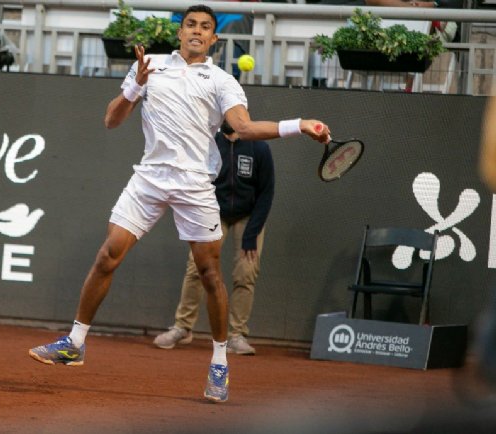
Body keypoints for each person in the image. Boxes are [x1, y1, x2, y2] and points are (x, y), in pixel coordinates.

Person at [27, 4, 330, 403]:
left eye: (206, 27)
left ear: (214, 39)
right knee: (107, 256)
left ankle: (220, 362)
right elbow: (111, 120)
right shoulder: (149, 65)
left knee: (209, 274)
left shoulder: (222, 81)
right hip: (149, 178)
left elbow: (243, 128)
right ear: (180, 31)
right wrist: (135, 85)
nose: (197, 32)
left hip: (195, 185)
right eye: (191, 25)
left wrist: (299, 125)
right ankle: (75, 342)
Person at [153, 121, 273, 356]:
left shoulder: (258, 146)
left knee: (246, 273)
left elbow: (267, 192)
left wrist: (251, 234)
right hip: (213, 213)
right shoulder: (208, 142)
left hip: (249, 217)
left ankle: (237, 335)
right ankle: (183, 327)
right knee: (196, 268)